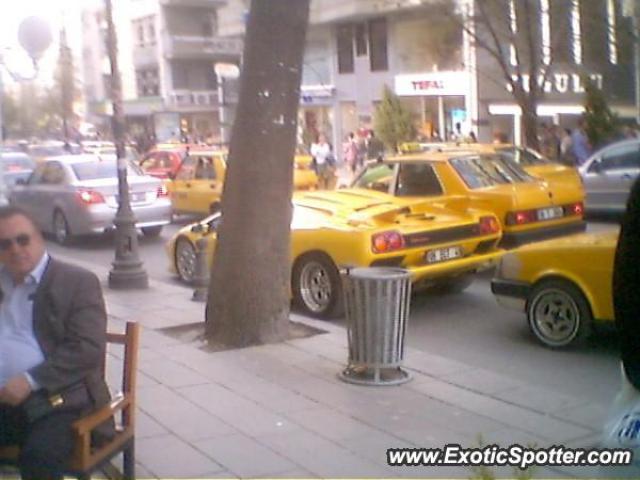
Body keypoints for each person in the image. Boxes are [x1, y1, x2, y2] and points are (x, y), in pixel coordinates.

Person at [0, 206, 112, 480]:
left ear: (40, 239)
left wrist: (29, 380)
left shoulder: (77, 282)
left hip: (59, 400)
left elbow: (87, 349)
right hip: (4, 399)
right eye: (5, 244)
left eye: (22, 239)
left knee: (39, 459)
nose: (15, 249)